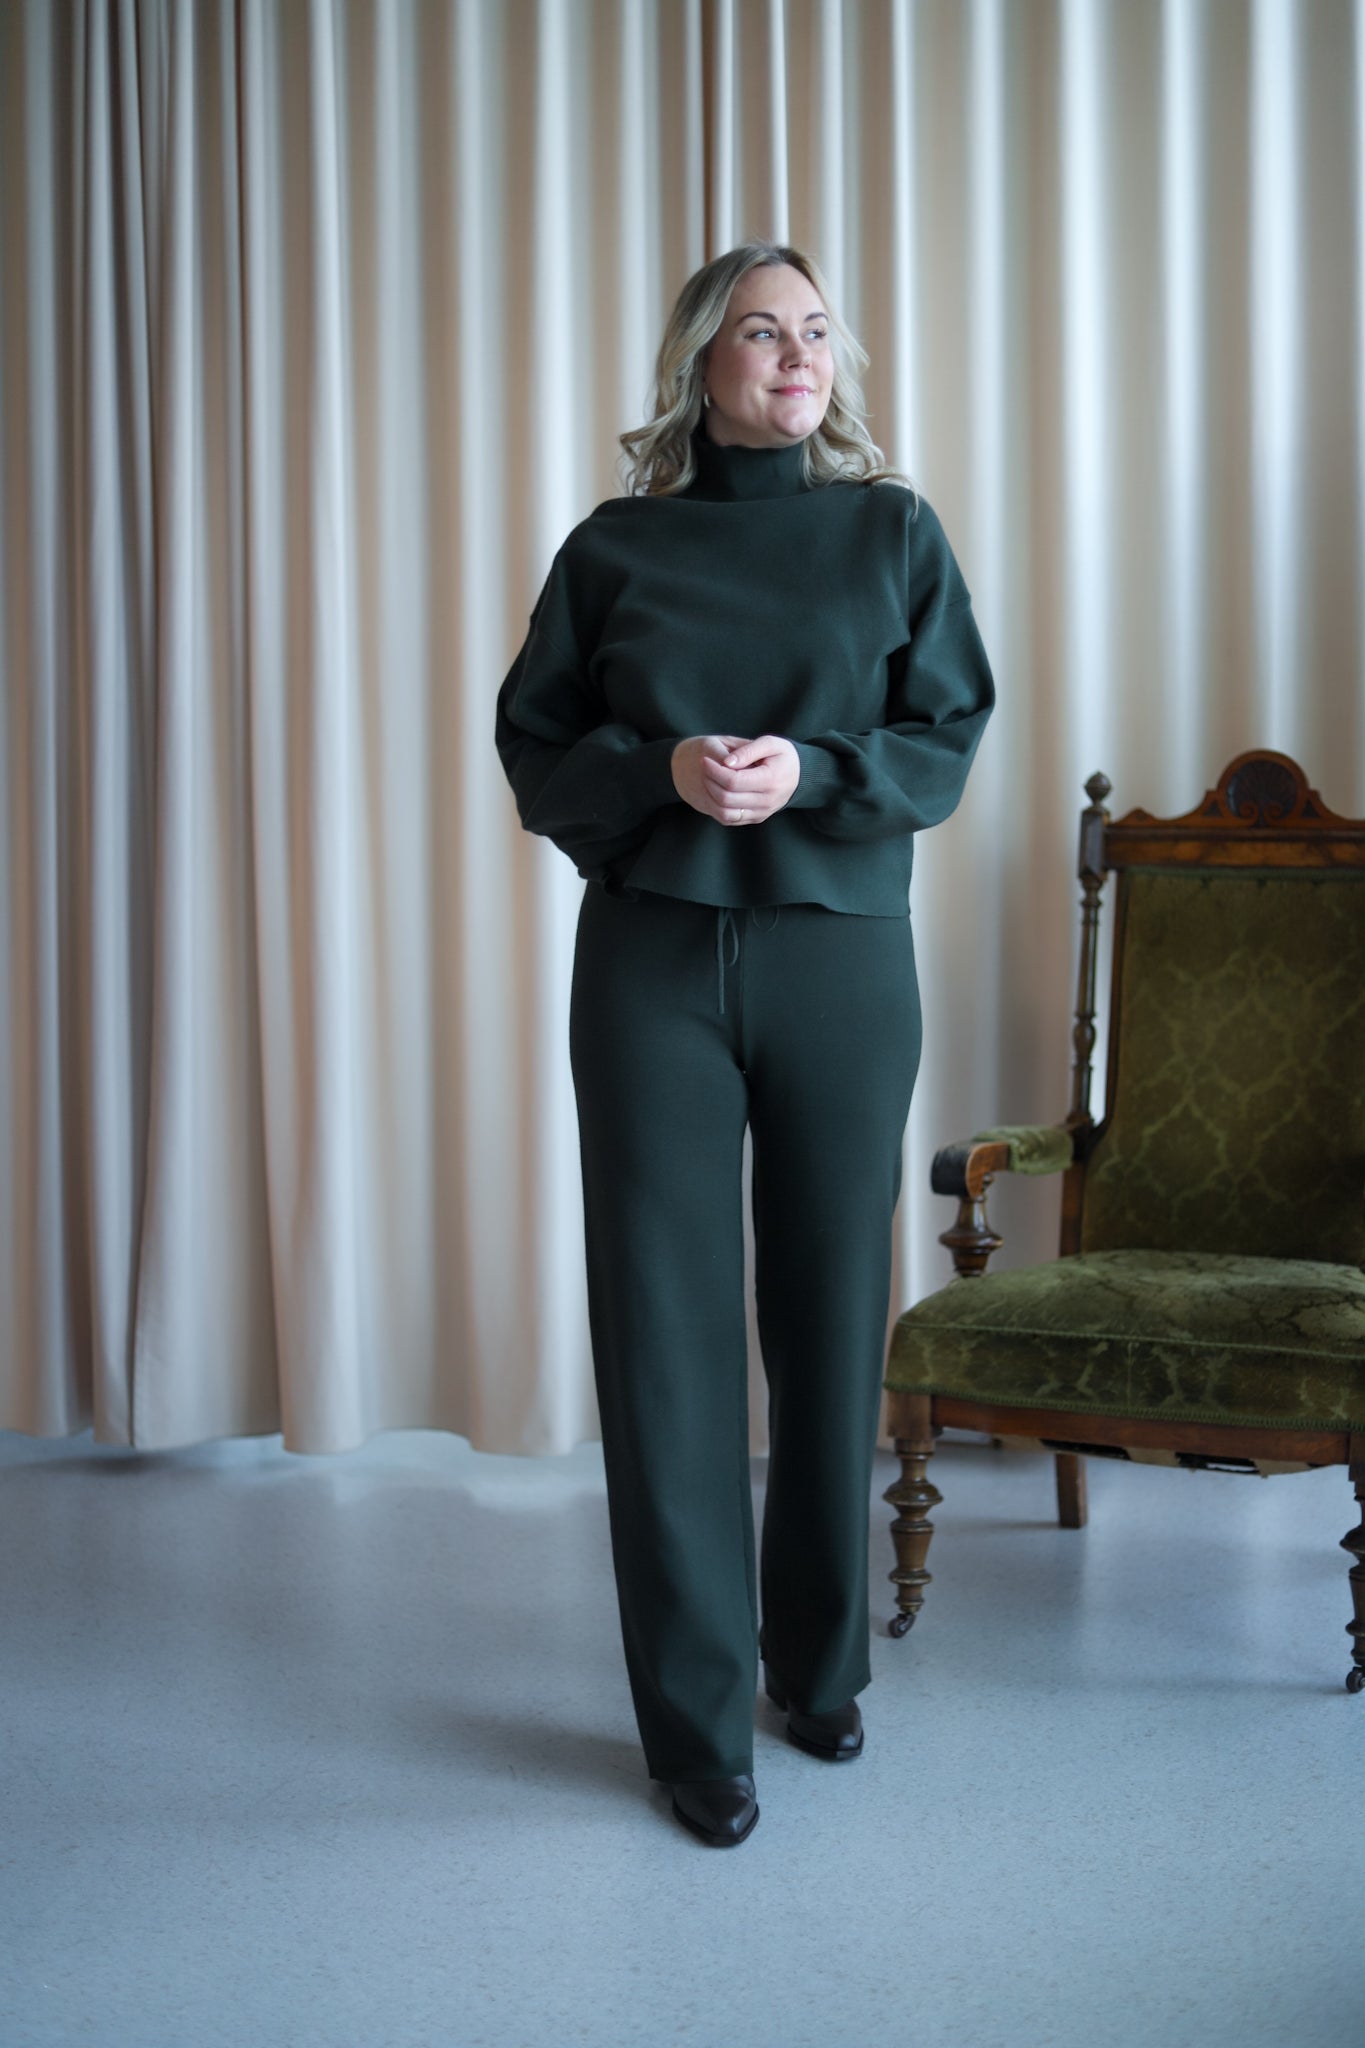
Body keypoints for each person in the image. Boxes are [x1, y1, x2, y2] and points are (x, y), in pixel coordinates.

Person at [495, 240, 994, 1847]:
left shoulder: (889, 531)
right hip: (650, 962)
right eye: (762, 331)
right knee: (665, 1336)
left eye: (816, 331)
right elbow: (536, 752)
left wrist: (816, 771)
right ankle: (696, 1727)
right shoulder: (613, 547)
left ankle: (818, 1666)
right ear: (700, 362)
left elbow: (944, 732)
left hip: (839, 958)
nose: (796, 356)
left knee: (833, 1312)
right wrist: (661, 772)